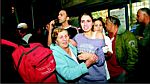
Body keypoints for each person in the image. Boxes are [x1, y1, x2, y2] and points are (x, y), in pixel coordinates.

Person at [73, 12, 107, 83]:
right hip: (82, 79)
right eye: (83, 21)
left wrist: (90, 56)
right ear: (80, 23)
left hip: (98, 79)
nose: (85, 24)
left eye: (88, 21)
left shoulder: (98, 35)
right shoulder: (77, 37)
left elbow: (101, 61)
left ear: (92, 23)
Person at [105, 16, 138, 83]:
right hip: (109, 73)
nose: (105, 25)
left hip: (120, 73)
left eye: (106, 23)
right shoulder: (107, 36)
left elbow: (133, 56)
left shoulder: (127, 36)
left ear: (112, 24)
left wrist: (127, 71)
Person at [135, 7, 150, 82]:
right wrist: (139, 38)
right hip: (142, 62)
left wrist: (139, 38)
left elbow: (144, 43)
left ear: (145, 15)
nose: (137, 18)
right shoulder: (140, 27)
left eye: (138, 15)